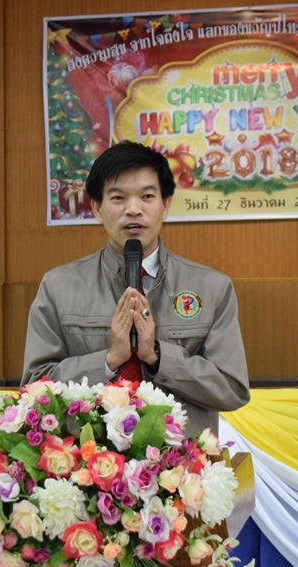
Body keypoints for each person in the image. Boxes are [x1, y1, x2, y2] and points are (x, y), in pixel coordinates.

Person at [22, 140, 250, 438]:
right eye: (118, 198)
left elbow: (232, 390)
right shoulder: (58, 286)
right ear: (97, 208)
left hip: (181, 463)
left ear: (165, 205)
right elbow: (34, 389)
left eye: (147, 196)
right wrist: (109, 360)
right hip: (88, 462)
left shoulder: (212, 288)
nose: (133, 209)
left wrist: (157, 356)